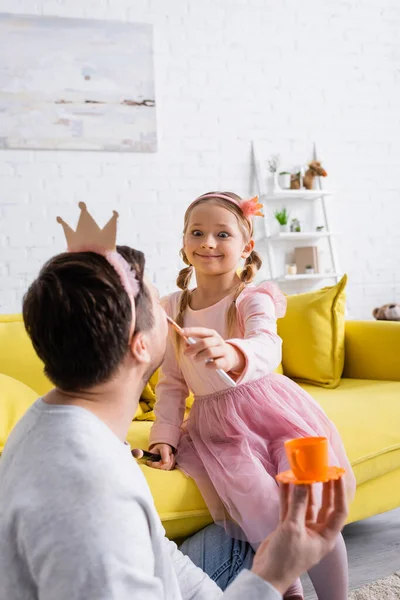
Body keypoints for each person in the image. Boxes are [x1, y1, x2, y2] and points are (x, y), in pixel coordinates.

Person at [0, 222, 348, 599]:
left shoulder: (68, 425)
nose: (169, 313)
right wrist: (270, 578)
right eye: (156, 307)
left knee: (242, 533)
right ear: (141, 345)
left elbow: (158, 552)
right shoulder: (89, 494)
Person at [148, 191, 356, 600]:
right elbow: (172, 382)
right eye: (198, 232)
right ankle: (287, 588)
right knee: (261, 508)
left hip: (274, 412)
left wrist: (232, 351)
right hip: (219, 429)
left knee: (313, 505)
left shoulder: (251, 297)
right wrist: (164, 436)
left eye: (222, 234)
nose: (208, 242)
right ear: (185, 243)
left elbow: (267, 343)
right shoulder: (173, 306)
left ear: (246, 247)